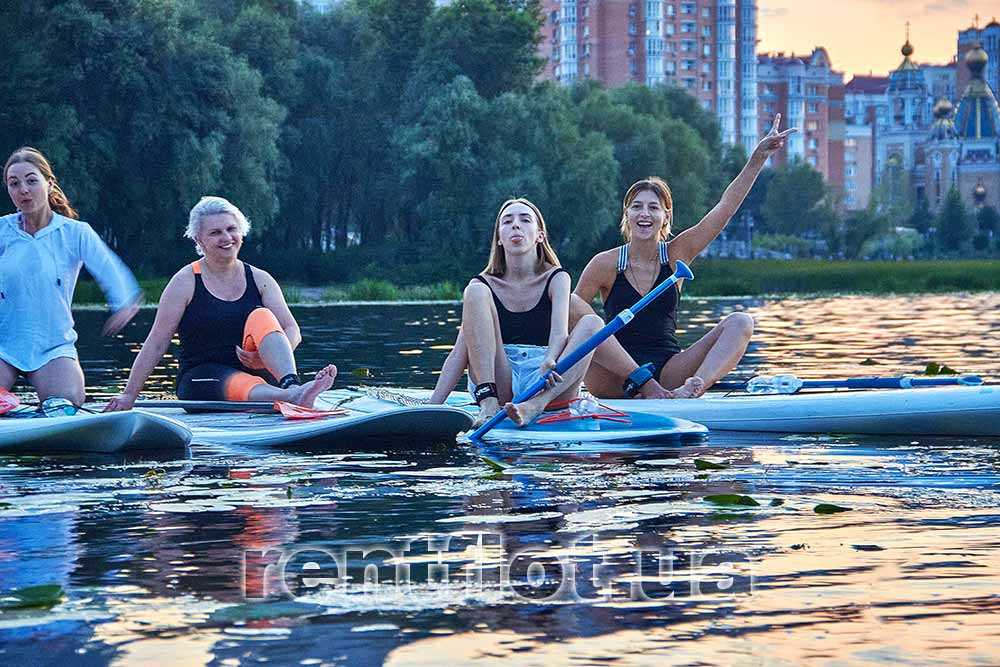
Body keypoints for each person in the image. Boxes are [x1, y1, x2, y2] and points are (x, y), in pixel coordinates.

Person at [573, 115, 796, 400]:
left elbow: (724, 210)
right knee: (571, 304)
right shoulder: (605, 263)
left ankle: (694, 389)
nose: (644, 214)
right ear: (626, 215)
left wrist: (758, 158)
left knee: (742, 321)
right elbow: (571, 319)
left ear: (665, 216)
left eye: (653, 208)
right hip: (613, 378)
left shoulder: (678, 253)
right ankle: (643, 385)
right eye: (637, 207)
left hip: (668, 370)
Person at [104, 196, 336, 412]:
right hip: (202, 380)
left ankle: (292, 387)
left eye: (231, 229)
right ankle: (293, 397)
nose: (226, 238)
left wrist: (261, 359)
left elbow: (292, 330)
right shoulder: (184, 282)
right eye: (215, 232)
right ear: (199, 240)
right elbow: (157, 341)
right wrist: (129, 395)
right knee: (233, 380)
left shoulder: (260, 278)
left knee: (262, 316)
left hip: (258, 376)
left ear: (241, 232)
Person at [436, 198, 603, 428]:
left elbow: (559, 334)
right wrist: (432, 407)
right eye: (507, 221)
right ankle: (488, 404)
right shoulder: (483, 286)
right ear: (499, 239)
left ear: (539, 236)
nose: (516, 225)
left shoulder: (557, 278)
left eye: (525, 220)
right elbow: (459, 353)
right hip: (501, 379)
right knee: (474, 291)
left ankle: (535, 406)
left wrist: (550, 359)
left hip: (547, 378)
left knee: (593, 323)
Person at [1, 146, 141, 407]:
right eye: (14, 183)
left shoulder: (75, 232)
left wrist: (124, 302)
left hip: (53, 345)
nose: (23, 190)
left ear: (49, 183)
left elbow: (109, 268)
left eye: (32, 181)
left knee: (67, 404)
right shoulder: (2, 230)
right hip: (3, 344)